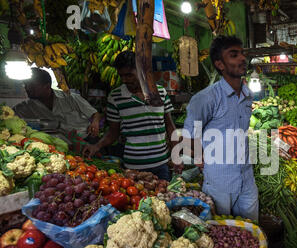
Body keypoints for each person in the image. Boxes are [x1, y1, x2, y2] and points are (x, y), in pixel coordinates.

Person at [180, 35, 258, 221]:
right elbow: (188, 137)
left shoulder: (248, 96)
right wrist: (200, 157)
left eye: (241, 54)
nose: (241, 59)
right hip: (219, 184)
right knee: (222, 237)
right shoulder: (206, 98)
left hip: (247, 180)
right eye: (233, 55)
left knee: (252, 233)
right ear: (220, 64)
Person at [82, 51, 177, 181]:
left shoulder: (160, 92)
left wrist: (176, 155)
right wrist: (96, 146)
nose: (125, 80)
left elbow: (170, 126)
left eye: (129, 75)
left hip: (161, 166)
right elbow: (113, 133)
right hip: (133, 168)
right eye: (121, 76)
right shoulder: (115, 97)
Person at [13, 68, 102, 142]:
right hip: (59, 145)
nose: (27, 88)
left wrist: (95, 123)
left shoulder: (70, 97)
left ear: (47, 86)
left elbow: (95, 114)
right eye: (25, 85)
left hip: (85, 140)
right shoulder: (26, 107)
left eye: (32, 86)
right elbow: (8, 115)